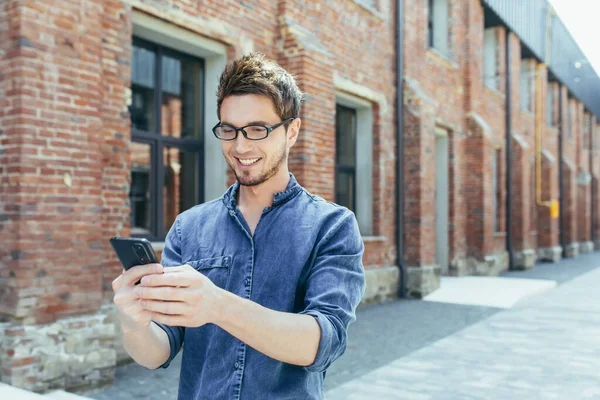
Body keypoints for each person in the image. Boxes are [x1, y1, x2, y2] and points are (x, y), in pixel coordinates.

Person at [112, 52, 366, 400]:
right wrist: (133, 319)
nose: (240, 146)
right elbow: (157, 352)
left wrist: (217, 305)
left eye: (258, 129)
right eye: (229, 130)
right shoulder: (189, 227)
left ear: (292, 131)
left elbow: (322, 342)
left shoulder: (332, 226)